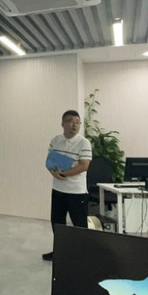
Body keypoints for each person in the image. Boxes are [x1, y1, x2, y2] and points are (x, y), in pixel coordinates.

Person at [42, 110, 92, 261]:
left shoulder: (84, 142)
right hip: (58, 190)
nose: (74, 125)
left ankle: (83, 256)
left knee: (80, 225)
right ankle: (60, 252)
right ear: (62, 123)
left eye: (77, 122)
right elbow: (49, 161)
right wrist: (53, 173)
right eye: (70, 121)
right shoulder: (55, 140)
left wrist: (64, 174)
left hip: (77, 191)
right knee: (57, 223)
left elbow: (83, 166)